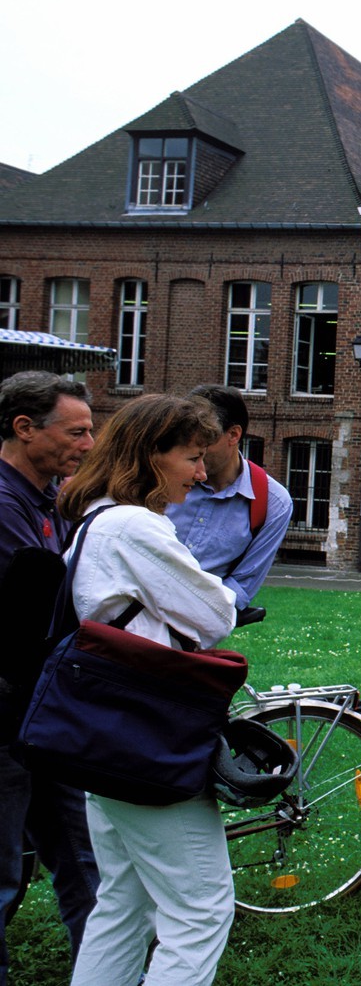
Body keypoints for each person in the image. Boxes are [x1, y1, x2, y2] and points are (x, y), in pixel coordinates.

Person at [56, 394, 238, 986]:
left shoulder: (92, 523)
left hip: (105, 739)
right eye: (191, 457)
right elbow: (214, 615)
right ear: (149, 456)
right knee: (200, 909)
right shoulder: (134, 526)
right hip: (148, 739)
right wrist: (220, 597)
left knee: (124, 905)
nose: (202, 472)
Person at [0, 372, 97, 984]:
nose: (89, 444)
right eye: (77, 431)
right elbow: (47, 603)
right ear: (24, 428)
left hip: (48, 713)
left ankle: (105, 971)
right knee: (4, 870)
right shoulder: (3, 506)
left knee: (82, 862)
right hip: (6, 718)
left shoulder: (50, 499)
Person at [165, 385, 291, 619]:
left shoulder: (273, 502)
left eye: (205, 442)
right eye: (186, 442)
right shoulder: (164, 476)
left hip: (193, 627)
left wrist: (183, 618)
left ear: (233, 434)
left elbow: (240, 589)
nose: (194, 450)